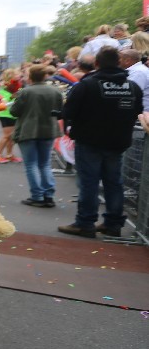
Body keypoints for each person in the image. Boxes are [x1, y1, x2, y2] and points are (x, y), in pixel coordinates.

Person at [57, 46, 142, 239]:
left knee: (89, 183)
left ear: (96, 63)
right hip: (118, 142)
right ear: (119, 63)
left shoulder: (87, 85)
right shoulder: (132, 87)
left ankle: (85, 223)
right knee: (114, 183)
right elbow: (137, 111)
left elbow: (68, 112)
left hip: (89, 141)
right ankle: (113, 224)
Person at [11, 64, 65, 207]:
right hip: (49, 130)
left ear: (30, 77)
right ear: (45, 75)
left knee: (31, 164)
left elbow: (14, 111)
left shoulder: (25, 92)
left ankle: (37, 196)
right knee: (45, 164)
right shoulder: (55, 91)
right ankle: (48, 195)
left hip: (28, 130)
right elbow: (60, 110)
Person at [119, 47, 149, 114]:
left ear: (127, 61)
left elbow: (129, 93)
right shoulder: (136, 70)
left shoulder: (138, 72)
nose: (116, 61)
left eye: (119, 58)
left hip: (142, 115)